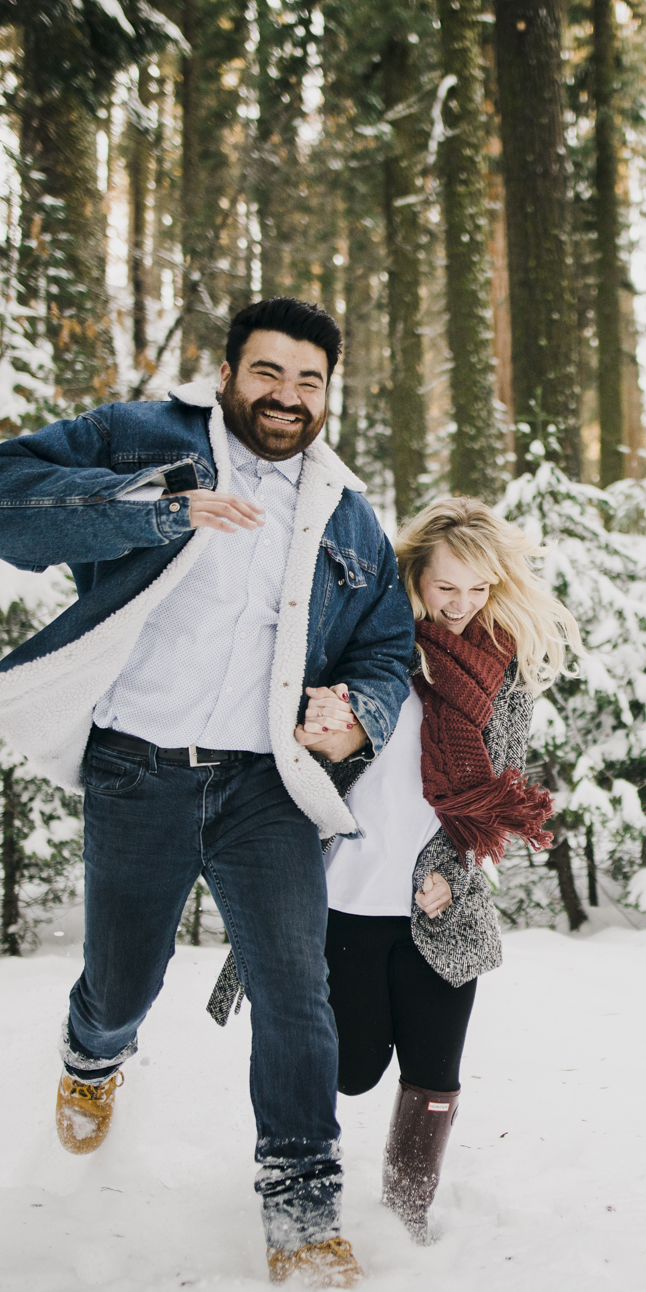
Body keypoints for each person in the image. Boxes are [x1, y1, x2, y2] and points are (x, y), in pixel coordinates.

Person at [0, 297, 412, 1288]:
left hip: (265, 787)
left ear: (329, 391)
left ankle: (301, 1209)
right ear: (229, 372)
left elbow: (385, 642)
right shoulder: (140, 436)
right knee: (125, 979)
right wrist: (155, 509)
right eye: (269, 371)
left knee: (296, 988)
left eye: (309, 379)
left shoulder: (345, 508)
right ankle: (91, 1054)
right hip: (136, 768)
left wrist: (360, 711)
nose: (287, 395)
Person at [208, 496, 579, 1243]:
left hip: (439, 909)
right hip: (343, 900)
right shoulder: (370, 648)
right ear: (414, 575)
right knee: (348, 1070)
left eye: (478, 589)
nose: (462, 605)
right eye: (447, 587)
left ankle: (408, 1219)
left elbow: (491, 794)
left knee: (435, 1073)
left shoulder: (498, 671)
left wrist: (455, 870)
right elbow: (303, 756)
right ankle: (297, 1170)